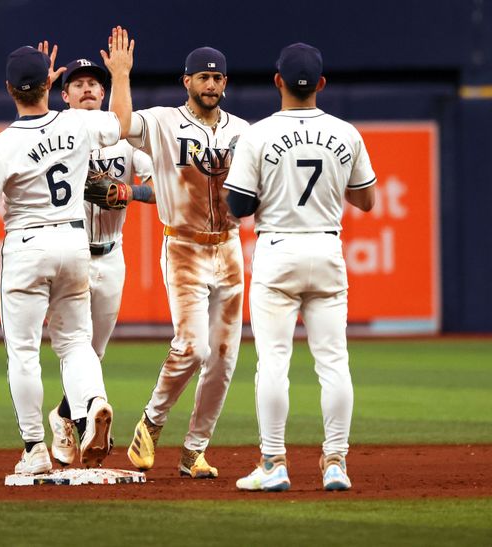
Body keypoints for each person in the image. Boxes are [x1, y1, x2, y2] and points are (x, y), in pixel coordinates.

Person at [0, 27, 135, 474]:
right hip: (74, 242)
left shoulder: (1, 145)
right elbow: (122, 123)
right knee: (74, 343)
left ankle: (34, 448)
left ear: (9, 89)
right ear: (53, 86)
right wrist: (119, 75)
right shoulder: (77, 122)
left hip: (27, 246)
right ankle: (94, 403)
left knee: (24, 352)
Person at [225, 43, 376, 491]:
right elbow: (366, 200)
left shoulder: (258, 134)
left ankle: (273, 464)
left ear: (278, 82)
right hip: (327, 249)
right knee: (333, 361)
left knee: (273, 362)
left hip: (278, 249)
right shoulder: (345, 132)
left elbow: (237, 206)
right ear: (322, 85)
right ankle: (336, 463)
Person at [123, 47, 249, 479]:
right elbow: (121, 124)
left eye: (217, 78)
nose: (210, 84)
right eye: (202, 78)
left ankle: (193, 451)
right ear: (187, 82)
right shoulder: (162, 121)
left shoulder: (243, 132)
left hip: (229, 247)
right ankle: (152, 422)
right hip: (184, 247)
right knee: (192, 346)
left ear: (225, 84)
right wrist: (121, 75)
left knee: (224, 357)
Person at [47, 58, 155, 466]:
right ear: (65, 94)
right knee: (78, 348)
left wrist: (130, 193)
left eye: (95, 82)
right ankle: (86, 415)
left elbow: (164, 187)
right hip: (68, 253)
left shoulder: (123, 140)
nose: (89, 89)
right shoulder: (52, 134)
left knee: (94, 351)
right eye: (79, 83)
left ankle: (64, 416)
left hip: (111, 253)